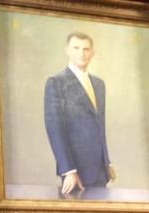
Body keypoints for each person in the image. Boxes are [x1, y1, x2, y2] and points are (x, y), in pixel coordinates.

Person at [44, 32, 114, 195]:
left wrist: (107, 162)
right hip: (76, 171)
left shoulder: (99, 84)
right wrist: (68, 170)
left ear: (92, 53)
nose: (81, 53)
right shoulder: (56, 82)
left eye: (86, 49)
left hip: (100, 170)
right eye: (76, 48)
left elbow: (99, 127)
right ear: (67, 50)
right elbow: (54, 129)